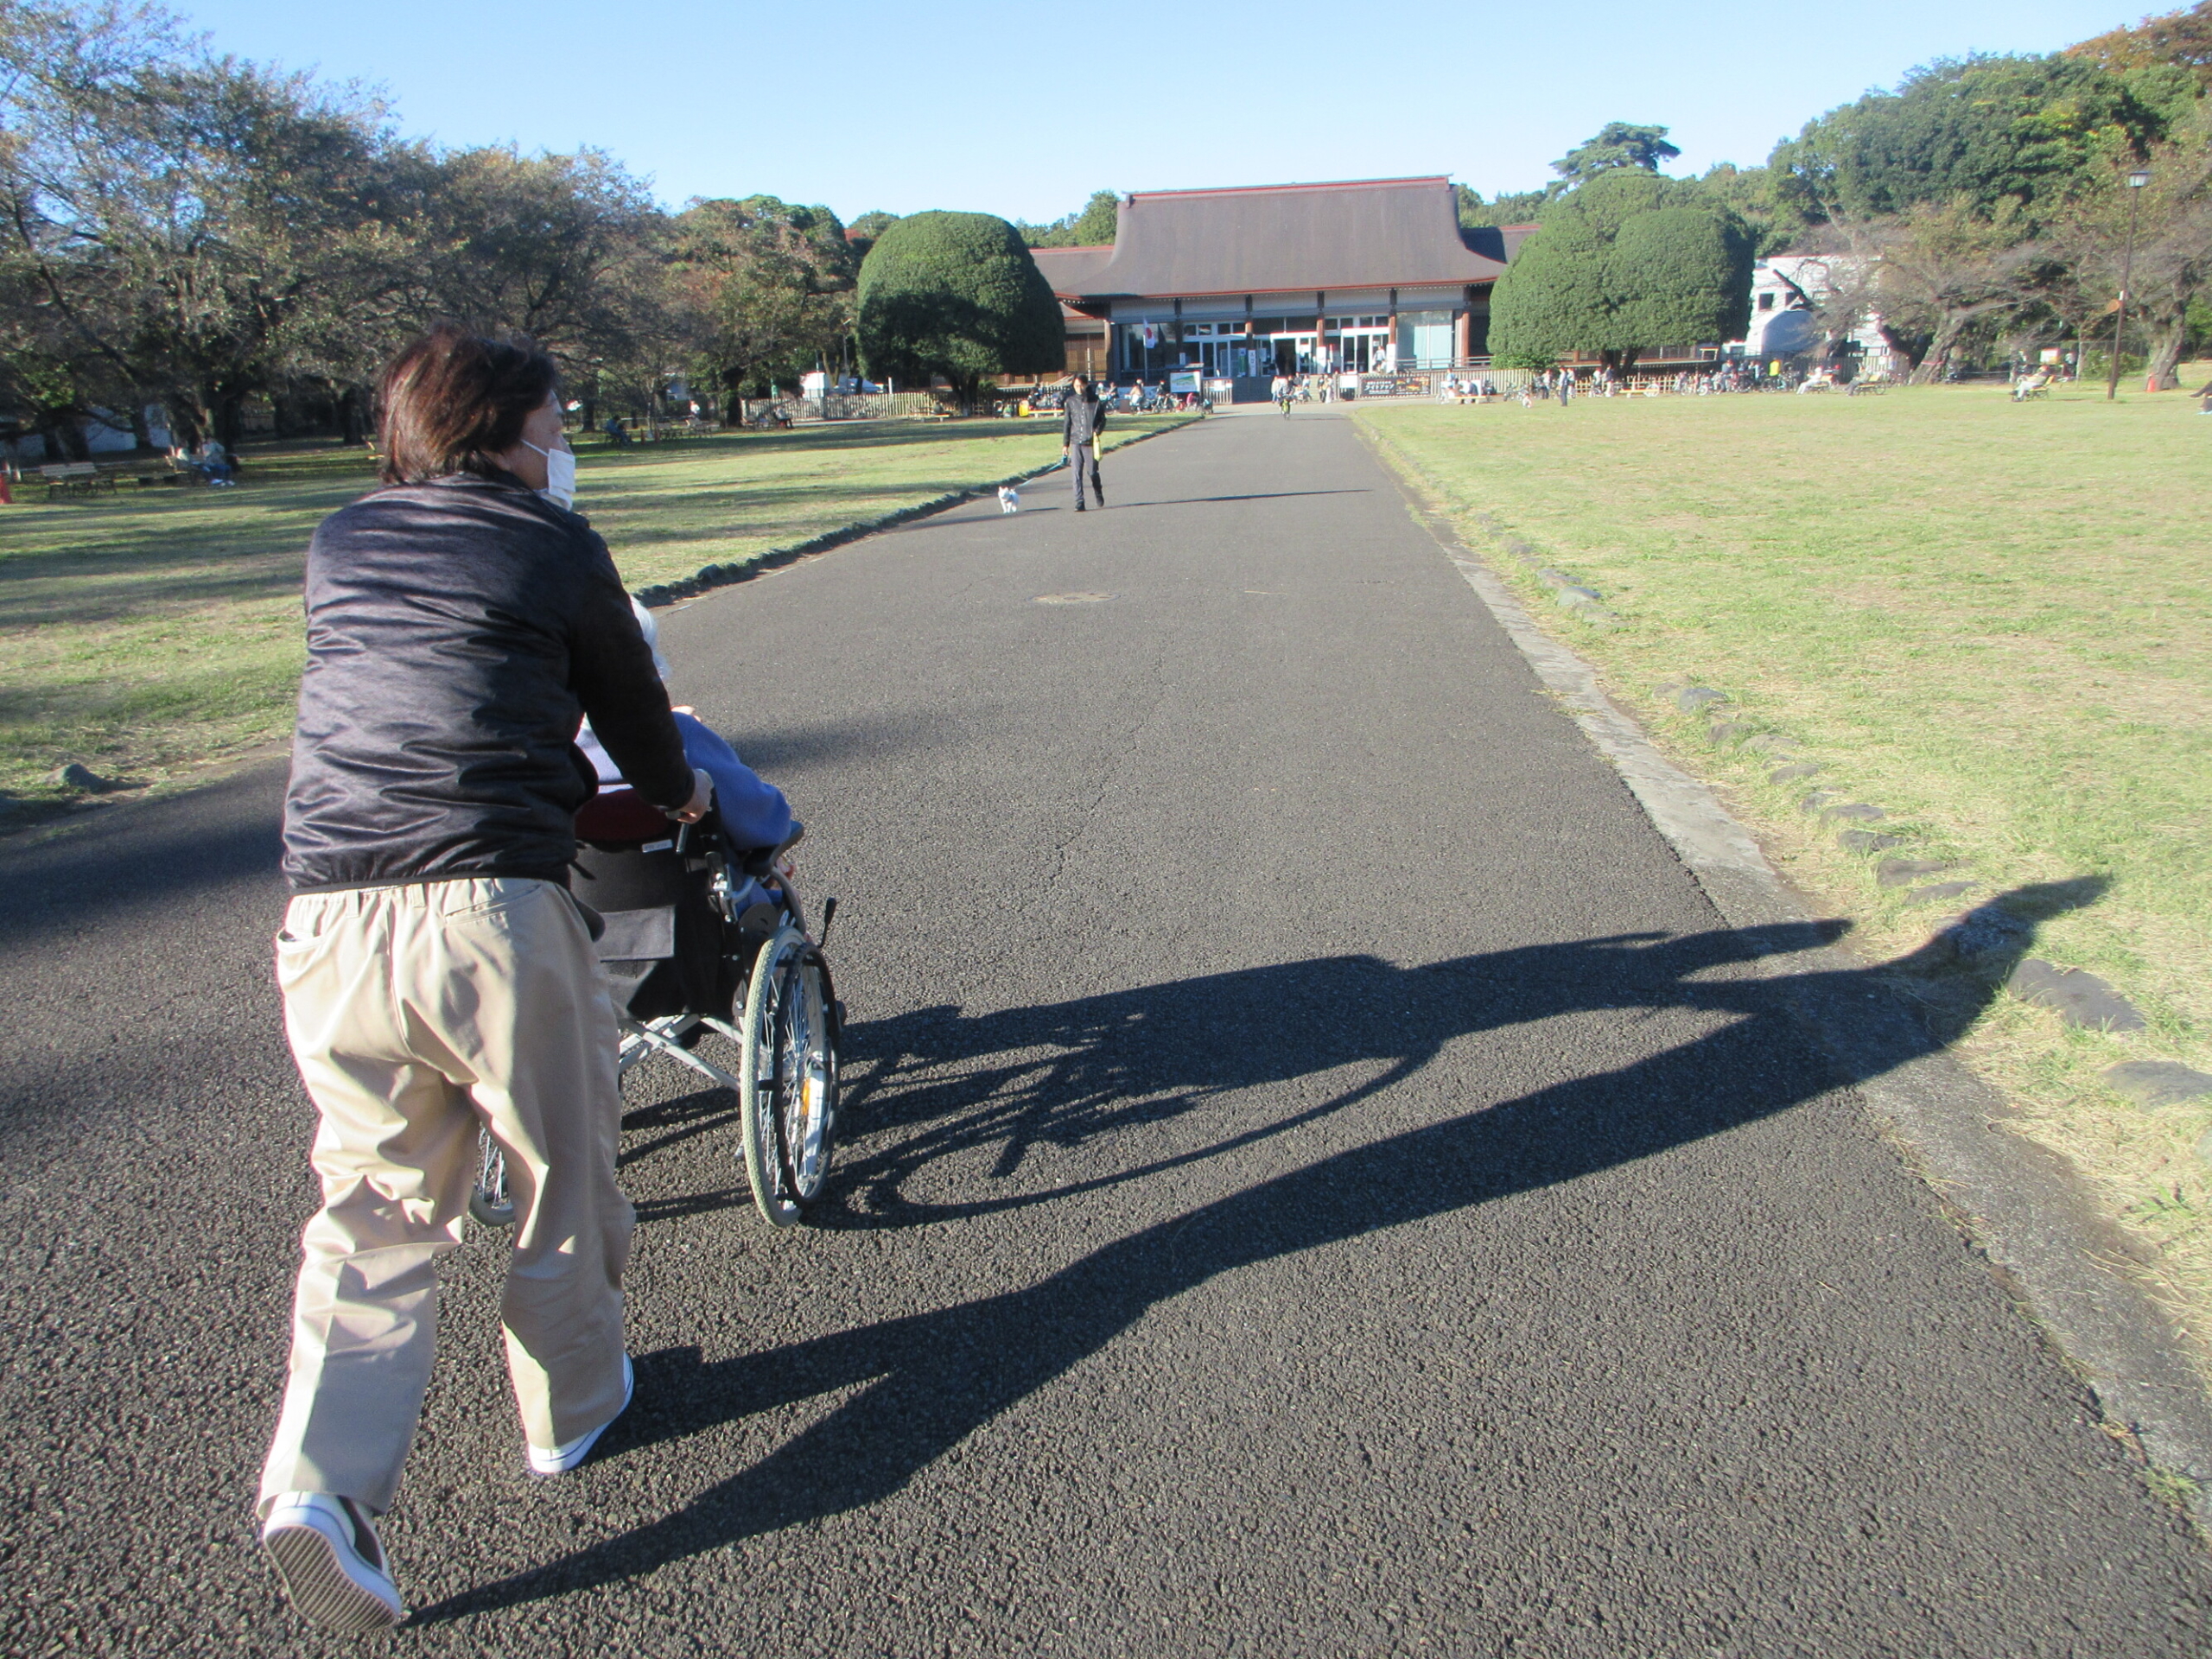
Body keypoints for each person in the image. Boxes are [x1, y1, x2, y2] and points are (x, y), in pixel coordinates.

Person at [256, 326, 710, 1632]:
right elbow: (630, 709)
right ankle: (570, 1413)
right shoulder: (554, 544)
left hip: (329, 919)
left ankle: (320, 1489)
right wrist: (679, 801)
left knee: (373, 1209)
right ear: (502, 433)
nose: (564, 451)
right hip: (489, 911)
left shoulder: (337, 542)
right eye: (556, 429)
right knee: (561, 1173)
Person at [1063, 373, 1106, 511]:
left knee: (1092, 472)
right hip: (1076, 441)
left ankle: (1098, 491)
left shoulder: (1095, 400)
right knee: (1076, 474)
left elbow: (1103, 420)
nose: (1078, 388)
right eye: (1076, 386)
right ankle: (1079, 502)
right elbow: (1067, 424)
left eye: (1081, 385)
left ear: (1086, 385)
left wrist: (1096, 431)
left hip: (1090, 442)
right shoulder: (1070, 401)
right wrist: (1065, 444)